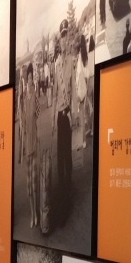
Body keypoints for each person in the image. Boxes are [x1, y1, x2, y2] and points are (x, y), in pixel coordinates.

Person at [53, 20, 74, 219]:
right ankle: (62, 194)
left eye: (67, 35)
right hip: (59, 116)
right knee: (60, 157)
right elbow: (55, 92)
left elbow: (73, 90)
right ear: (60, 41)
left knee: (67, 156)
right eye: (63, 36)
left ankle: (68, 193)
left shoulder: (71, 62)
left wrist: (73, 113)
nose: (65, 39)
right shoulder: (56, 65)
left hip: (67, 115)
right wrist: (53, 119)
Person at [22, 63, 39, 228]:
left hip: (35, 144)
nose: (30, 80)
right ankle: (32, 213)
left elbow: (38, 114)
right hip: (27, 147)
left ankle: (36, 214)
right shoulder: (23, 100)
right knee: (28, 186)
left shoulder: (34, 96)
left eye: (32, 78)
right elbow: (22, 124)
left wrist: (35, 94)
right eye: (28, 78)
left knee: (34, 184)